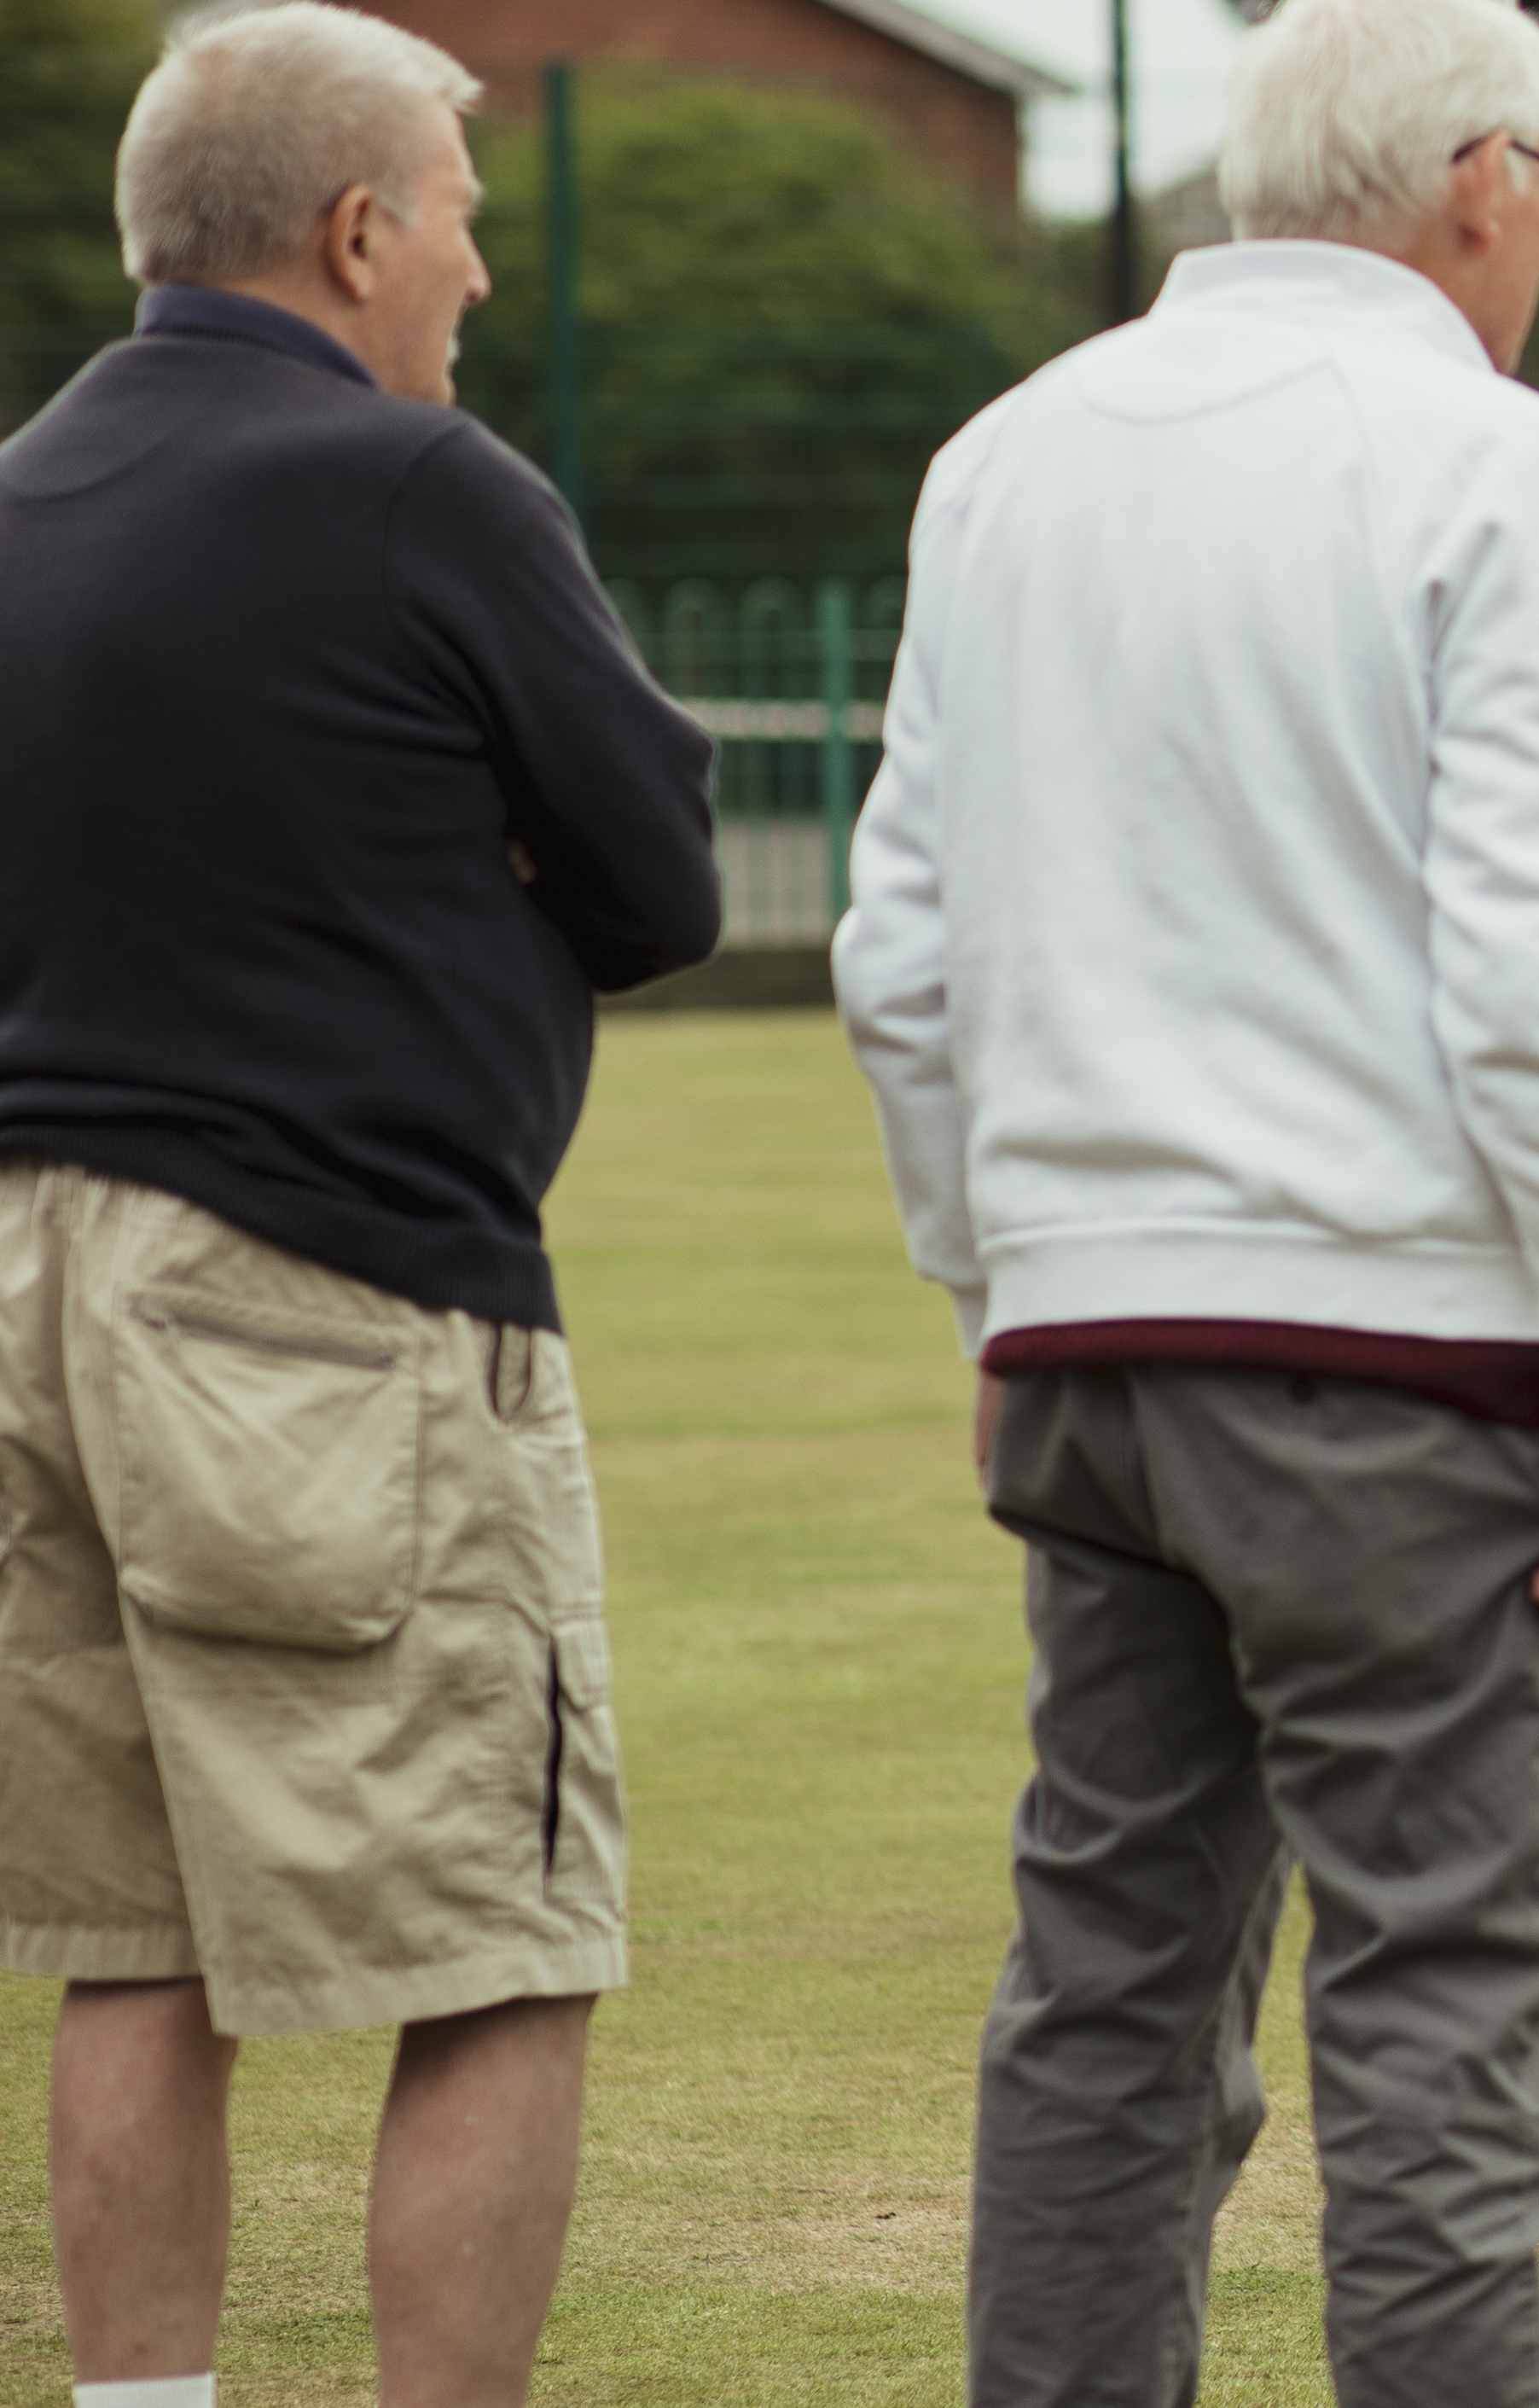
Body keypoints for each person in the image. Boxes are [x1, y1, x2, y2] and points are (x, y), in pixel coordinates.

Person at [825, 0, 1539, 2394]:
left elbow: (901, 946)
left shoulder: (1004, 454)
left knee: (1107, 1980)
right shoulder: (1493, 461)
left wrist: (1000, 1275)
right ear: (1487, 178)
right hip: (1401, 1354)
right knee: (1447, 1984)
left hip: (1089, 1343)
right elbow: (1534, 958)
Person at [0, 7, 723, 2405]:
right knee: (504, 1941)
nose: (477, 281)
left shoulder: (19, 495)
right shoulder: (426, 495)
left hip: (32, 1280)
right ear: (353, 229)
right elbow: (661, 874)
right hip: (333, 1291)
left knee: (134, 1929)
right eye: (463, 221)